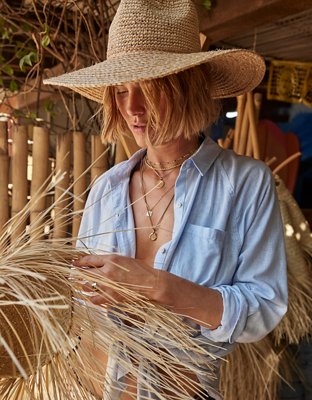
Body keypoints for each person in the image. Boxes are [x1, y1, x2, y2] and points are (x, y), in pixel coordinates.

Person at [44, 0, 288, 399]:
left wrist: (159, 286)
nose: (132, 109)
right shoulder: (107, 190)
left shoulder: (245, 183)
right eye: (121, 91)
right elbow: (83, 307)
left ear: (186, 86)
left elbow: (263, 309)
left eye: (150, 89)